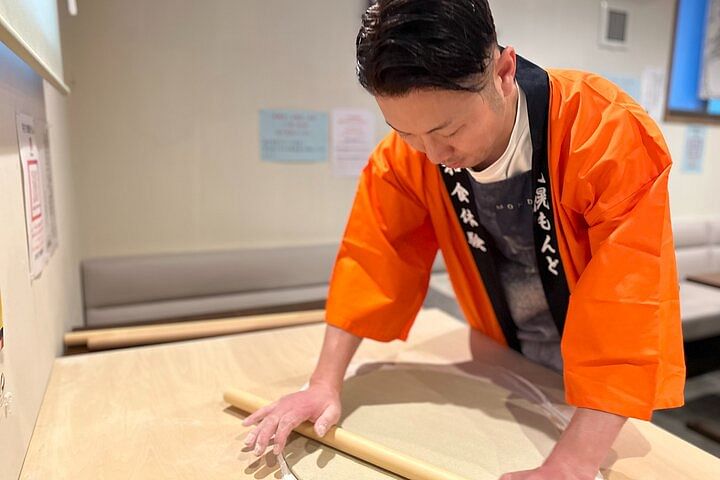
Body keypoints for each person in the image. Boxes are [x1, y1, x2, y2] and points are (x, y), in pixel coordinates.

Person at [243, 1, 686, 478]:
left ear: (503, 71)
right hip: (501, 358)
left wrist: (573, 465)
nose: (432, 154)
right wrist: (323, 383)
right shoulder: (408, 155)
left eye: (448, 130)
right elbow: (374, 257)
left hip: (601, 392)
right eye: (406, 132)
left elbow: (628, 304)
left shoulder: (604, 135)